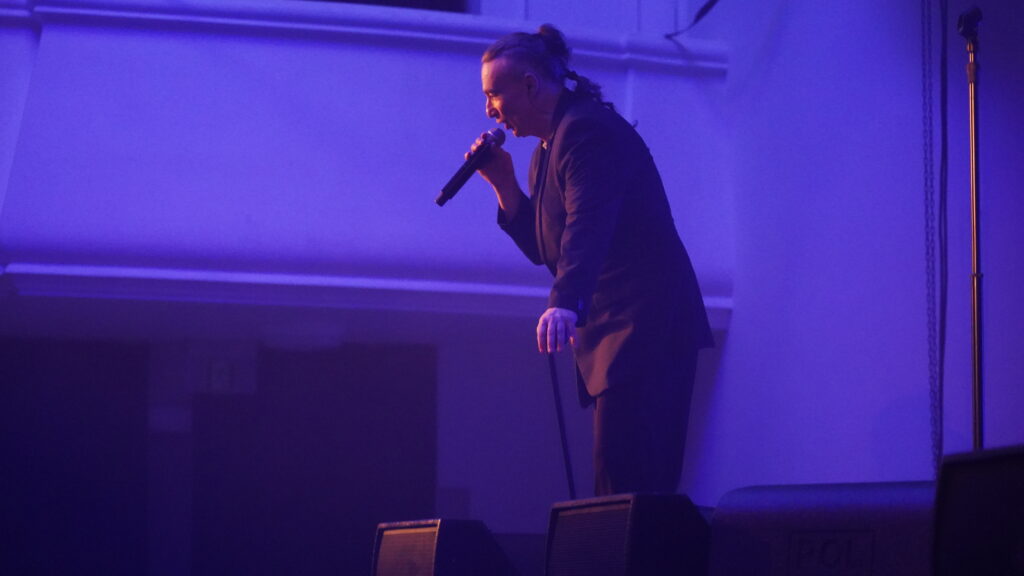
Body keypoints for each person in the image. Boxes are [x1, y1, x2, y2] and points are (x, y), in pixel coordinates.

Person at [471, 24, 714, 496]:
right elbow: (547, 250)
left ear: (529, 84)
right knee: (619, 486)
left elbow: (589, 225)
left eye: (493, 94)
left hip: (645, 329)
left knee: (630, 487)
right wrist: (503, 185)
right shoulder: (545, 151)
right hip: (619, 333)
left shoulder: (586, 131)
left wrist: (564, 302)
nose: (489, 110)